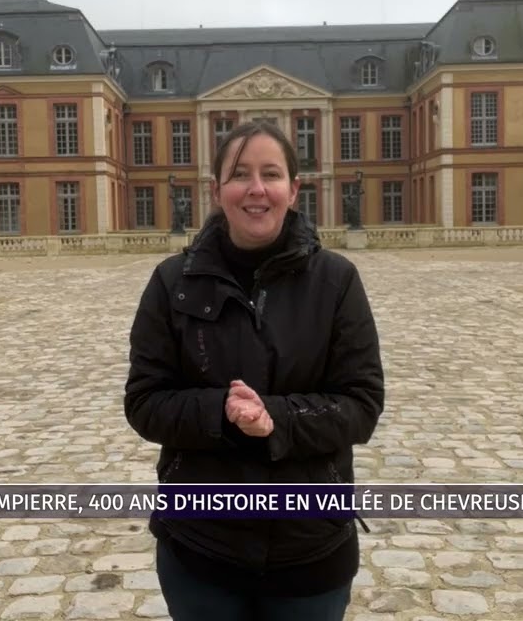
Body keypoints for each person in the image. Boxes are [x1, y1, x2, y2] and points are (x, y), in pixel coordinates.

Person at [124, 120, 386, 620]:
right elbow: (143, 401)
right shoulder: (171, 282)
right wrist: (220, 411)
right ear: (216, 189)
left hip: (310, 548)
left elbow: (362, 404)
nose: (256, 189)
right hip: (200, 546)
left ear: (294, 188)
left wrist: (277, 419)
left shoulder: (336, 281)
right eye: (240, 174)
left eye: (271, 173)